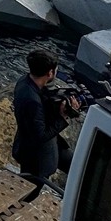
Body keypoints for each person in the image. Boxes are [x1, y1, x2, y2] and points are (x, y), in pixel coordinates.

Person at [12, 49, 79, 179]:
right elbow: (41, 136)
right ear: (50, 73)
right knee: (31, 188)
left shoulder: (24, 81)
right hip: (35, 156)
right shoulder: (32, 101)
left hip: (50, 145)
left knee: (77, 167)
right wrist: (63, 116)